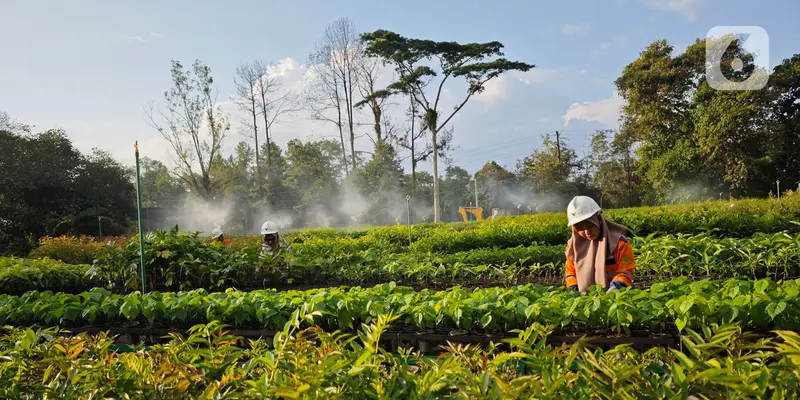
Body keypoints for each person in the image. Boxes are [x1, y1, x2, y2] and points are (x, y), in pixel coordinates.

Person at [564, 196, 635, 293]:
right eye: (580, 229)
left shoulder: (619, 243)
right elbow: (570, 272)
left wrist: (615, 288)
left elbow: (626, 271)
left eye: (590, 226)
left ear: (599, 219)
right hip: (585, 298)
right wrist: (573, 288)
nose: (587, 232)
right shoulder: (572, 247)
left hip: (618, 294)